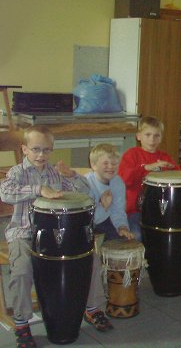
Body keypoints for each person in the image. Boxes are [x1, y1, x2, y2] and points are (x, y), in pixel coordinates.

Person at [0, 125, 112, 348]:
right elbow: (5, 192)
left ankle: (91, 308)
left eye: (47, 150)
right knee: (22, 269)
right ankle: (22, 323)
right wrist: (39, 189)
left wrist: (72, 176)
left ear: (52, 150)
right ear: (24, 149)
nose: (41, 155)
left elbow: (85, 192)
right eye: (36, 149)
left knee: (91, 259)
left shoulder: (54, 172)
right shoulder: (17, 172)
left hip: (57, 235)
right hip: (24, 233)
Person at [118, 116, 180, 241]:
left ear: (161, 137)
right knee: (139, 236)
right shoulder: (131, 154)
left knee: (170, 234)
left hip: (160, 209)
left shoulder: (164, 157)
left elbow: (180, 178)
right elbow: (124, 180)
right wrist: (146, 168)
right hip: (135, 211)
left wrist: (172, 169)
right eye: (147, 135)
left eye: (156, 135)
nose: (152, 139)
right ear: (138, 136)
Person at [86, 143, 134, 241]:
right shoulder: (86, 184)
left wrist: (122, 227)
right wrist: (103, 206)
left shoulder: (118, 183)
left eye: (114, 163)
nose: (111, 167)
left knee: (124, 239)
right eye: (105, 163)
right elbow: (89, 219)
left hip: (109, 221)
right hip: (90, 225)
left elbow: (118, 210)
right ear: (94, 165)